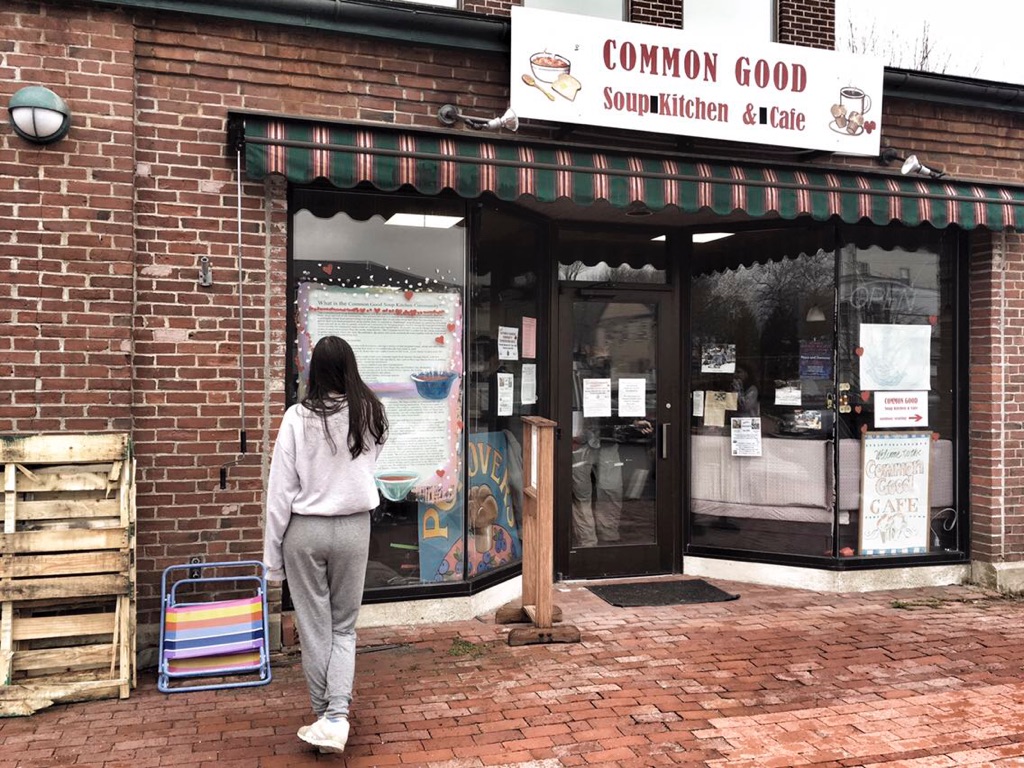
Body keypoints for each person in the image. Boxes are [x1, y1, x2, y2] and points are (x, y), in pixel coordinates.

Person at [263, 335, 389, 754]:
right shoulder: (372, 413)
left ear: (314, 370)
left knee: (314, 628)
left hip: (306, 530)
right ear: (351, 368)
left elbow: (279, 492)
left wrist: (271, 561)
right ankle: (336, 716)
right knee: (344, 627)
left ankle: (327, 718)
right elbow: (370, 465)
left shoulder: (297, 418)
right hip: (354, 528)